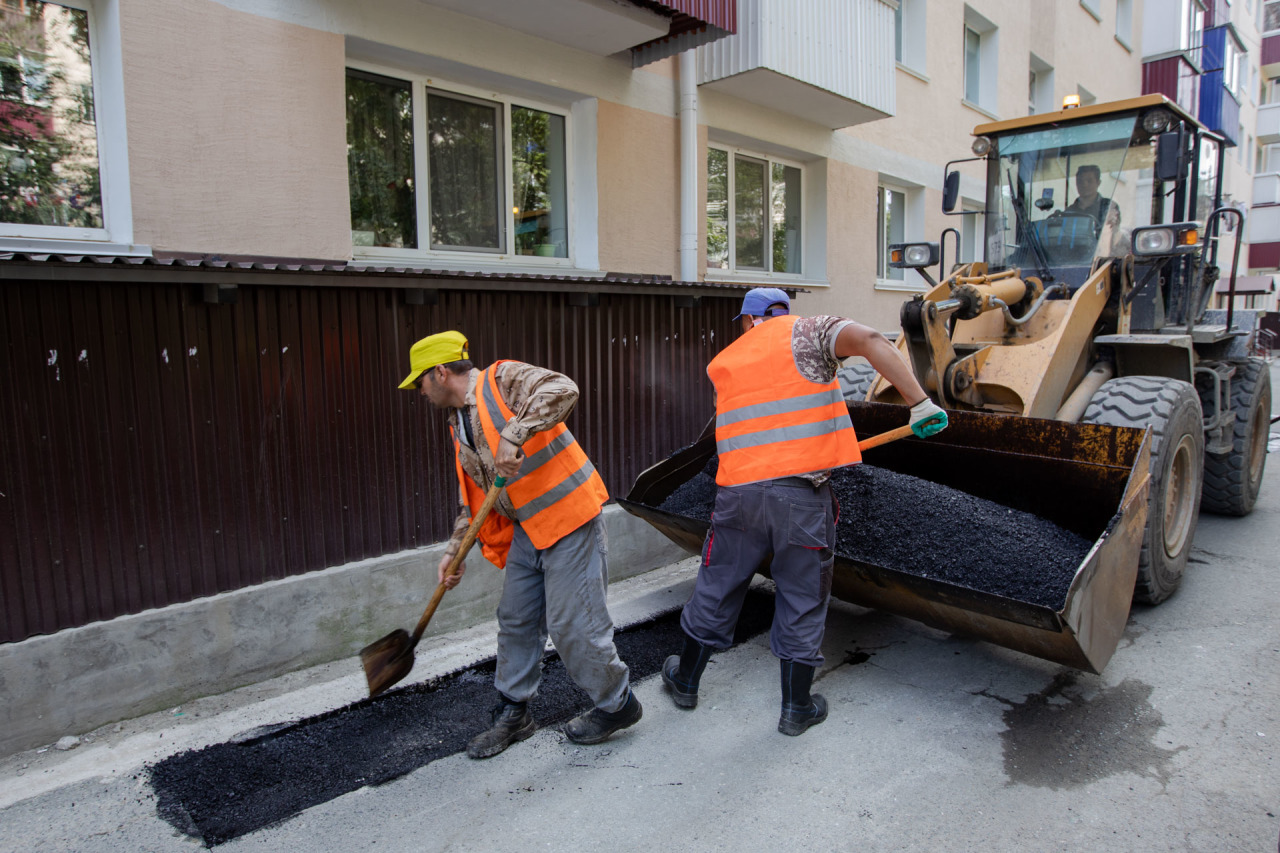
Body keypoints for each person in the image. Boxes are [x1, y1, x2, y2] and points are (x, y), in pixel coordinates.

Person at [660, 288, 948, 736]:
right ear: (782, 313)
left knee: (717, 585)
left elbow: (733, 422)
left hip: (736, 495)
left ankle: (685, 681)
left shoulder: (724, 361)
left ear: (747, 320)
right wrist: (921, 403)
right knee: (801, 595)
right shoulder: (809, 333)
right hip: (799, 498)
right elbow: (872, 338)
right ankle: (796, 709)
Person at [399, 331, 640, 758]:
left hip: (569, 518)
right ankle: (515, 711)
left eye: (420, 382)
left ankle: (617, 704)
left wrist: (515, 432)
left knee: (575, 624)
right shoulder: (458, 423)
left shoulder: (502, 378)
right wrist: (455, 549)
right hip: (528, 529)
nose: (419, 392)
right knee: (516, 620)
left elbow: (563, 388)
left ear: (440, 372)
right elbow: (474, 496)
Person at [1063, 164, 1119, 235]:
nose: (1084, 184)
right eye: (1080, 181)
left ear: (1098, 183)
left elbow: (1113, 234)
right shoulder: (1069, 212)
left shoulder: (1108, 207)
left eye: (1089, 181)